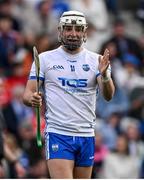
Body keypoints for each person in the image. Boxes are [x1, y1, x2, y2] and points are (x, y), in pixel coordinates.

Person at [23, 10, 115, 179]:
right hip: (58, 133)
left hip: (86, 134)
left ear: (84, 32)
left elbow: (108, 95)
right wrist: (33, 99)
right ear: (60, 31)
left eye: (78, 29)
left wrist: (105, 75)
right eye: (68, 29)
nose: (73, 34)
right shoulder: (45, 59)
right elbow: (27, 94)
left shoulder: (97, 60)